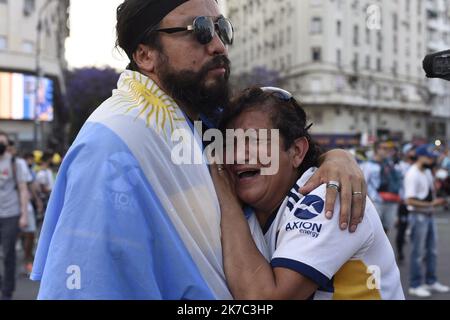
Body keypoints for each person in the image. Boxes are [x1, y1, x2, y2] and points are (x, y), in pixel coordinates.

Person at [31, 0, 367, 299]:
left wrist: (335, 158)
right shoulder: (114, 143)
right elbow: (85, 282)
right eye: (200, 30)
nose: (219, 45)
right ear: (145, 54)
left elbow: (283, 146)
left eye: (221, 28)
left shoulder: (201, 121)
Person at [211, 87, 404, 300]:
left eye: (256, 140)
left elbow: (263, 300)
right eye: (230, 143)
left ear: (297, 152)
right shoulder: (248, 206)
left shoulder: (330, 195)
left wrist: (226, 199)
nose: (238, 153)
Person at [405, 144, 450, 298]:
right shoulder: (413, 174)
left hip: (428, 215)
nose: (432, 160)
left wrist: (436, 200)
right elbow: (409, 201)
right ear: (420, 157)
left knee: (432, 251)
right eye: (429, 157)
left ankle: (431, 281)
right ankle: (415, 284)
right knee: (418, 253)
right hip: (418, 216)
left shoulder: (426, 172)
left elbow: (429, 193)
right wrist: (433, 204)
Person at [0, 131, 29, 300]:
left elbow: (23, 189)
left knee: (8, 253)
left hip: (11, 214)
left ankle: (7, 291)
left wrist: (24, 215)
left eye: (2, 142)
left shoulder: (15, 163)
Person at [362, 140, 402, 234]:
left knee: (386, 228)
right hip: (376, 201)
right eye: (384, 148)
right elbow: (364, 183)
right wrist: (369, 200)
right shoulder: (369, 165)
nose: (387, 151)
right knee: (375, 229)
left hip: (391, 200)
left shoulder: (391, 164)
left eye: (388, 149)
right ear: (377, 149)